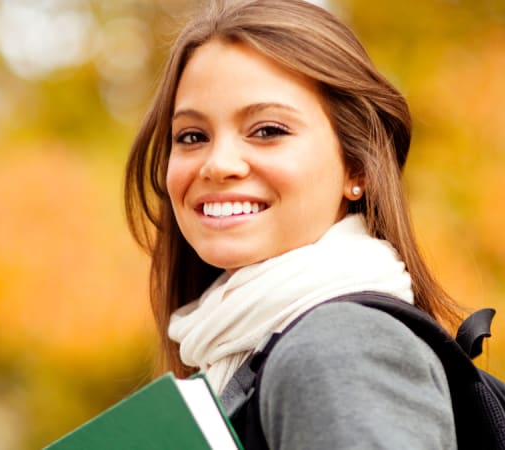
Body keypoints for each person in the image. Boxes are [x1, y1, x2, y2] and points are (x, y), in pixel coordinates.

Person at [124, 0, 462, 448]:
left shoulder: (338, 348)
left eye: (267, 130)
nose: (218, 164)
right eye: (192, 136)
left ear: (356, 168)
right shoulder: (235, 357)